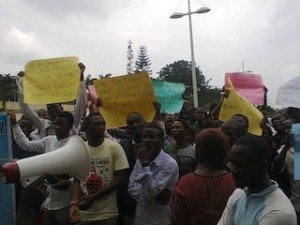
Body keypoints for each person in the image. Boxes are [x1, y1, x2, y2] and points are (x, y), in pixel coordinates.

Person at [9, 111, 77, 225]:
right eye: (55, 124)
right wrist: (15, 125)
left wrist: (69, 182)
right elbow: (26, 145)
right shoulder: (49, 140)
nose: (57, 127)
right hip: (48, 203)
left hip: (66, 203)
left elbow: (81, 173)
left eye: (62, 124)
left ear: (70, 126)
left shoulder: (75, 144)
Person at [218, 134, 297, 225]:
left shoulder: (278, 213)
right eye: (232, 163)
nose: (233, 170)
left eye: (241, 164)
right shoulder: (238, 196)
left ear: (262, 166)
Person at [69, 113, 129, 225]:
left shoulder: (115, 147)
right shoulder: (80, 149)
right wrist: (74, 204)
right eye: (97, 124)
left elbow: (120, 178)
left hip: (106, 215)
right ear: (86, 128)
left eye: (103, 124)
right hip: (83, 215)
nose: (102, 127)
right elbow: (76, 179)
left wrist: (93, 197)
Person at [170, 128, 236, 225]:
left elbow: (178, 219)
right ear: (225, 150)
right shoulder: (234, 182)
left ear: (199, 150)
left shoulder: (186, 183)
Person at [16, 62, 87, 138]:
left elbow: (81, 105)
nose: (52, 110)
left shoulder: (72, 122)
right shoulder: (43, 124)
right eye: (49, 108)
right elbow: (27, 111)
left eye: (54, 107)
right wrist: (21, 83)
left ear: (61, 108)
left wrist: (81, 78)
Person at [128, 124, 179, 225]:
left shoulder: (170, 164)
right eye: (144, 137)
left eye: (151, 137)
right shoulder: (140, 160)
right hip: (140, 219)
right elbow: (131, 188)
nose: (147, 140)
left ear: (162, 141)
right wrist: (154, 197)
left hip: (159, 220)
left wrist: (145, 165)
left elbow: (153, 190)